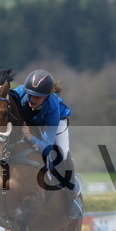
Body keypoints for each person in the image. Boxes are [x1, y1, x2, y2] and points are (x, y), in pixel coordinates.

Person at [14, 69, 83, 219]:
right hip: (31, 119)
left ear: (46, 96)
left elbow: (46, 147)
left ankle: (72, 197)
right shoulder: (19, 93)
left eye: (37, 97)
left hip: (56, 122)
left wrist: (30, 138)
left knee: (62, 152)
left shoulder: (53, 108)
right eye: (30, 95)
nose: (32, 99)